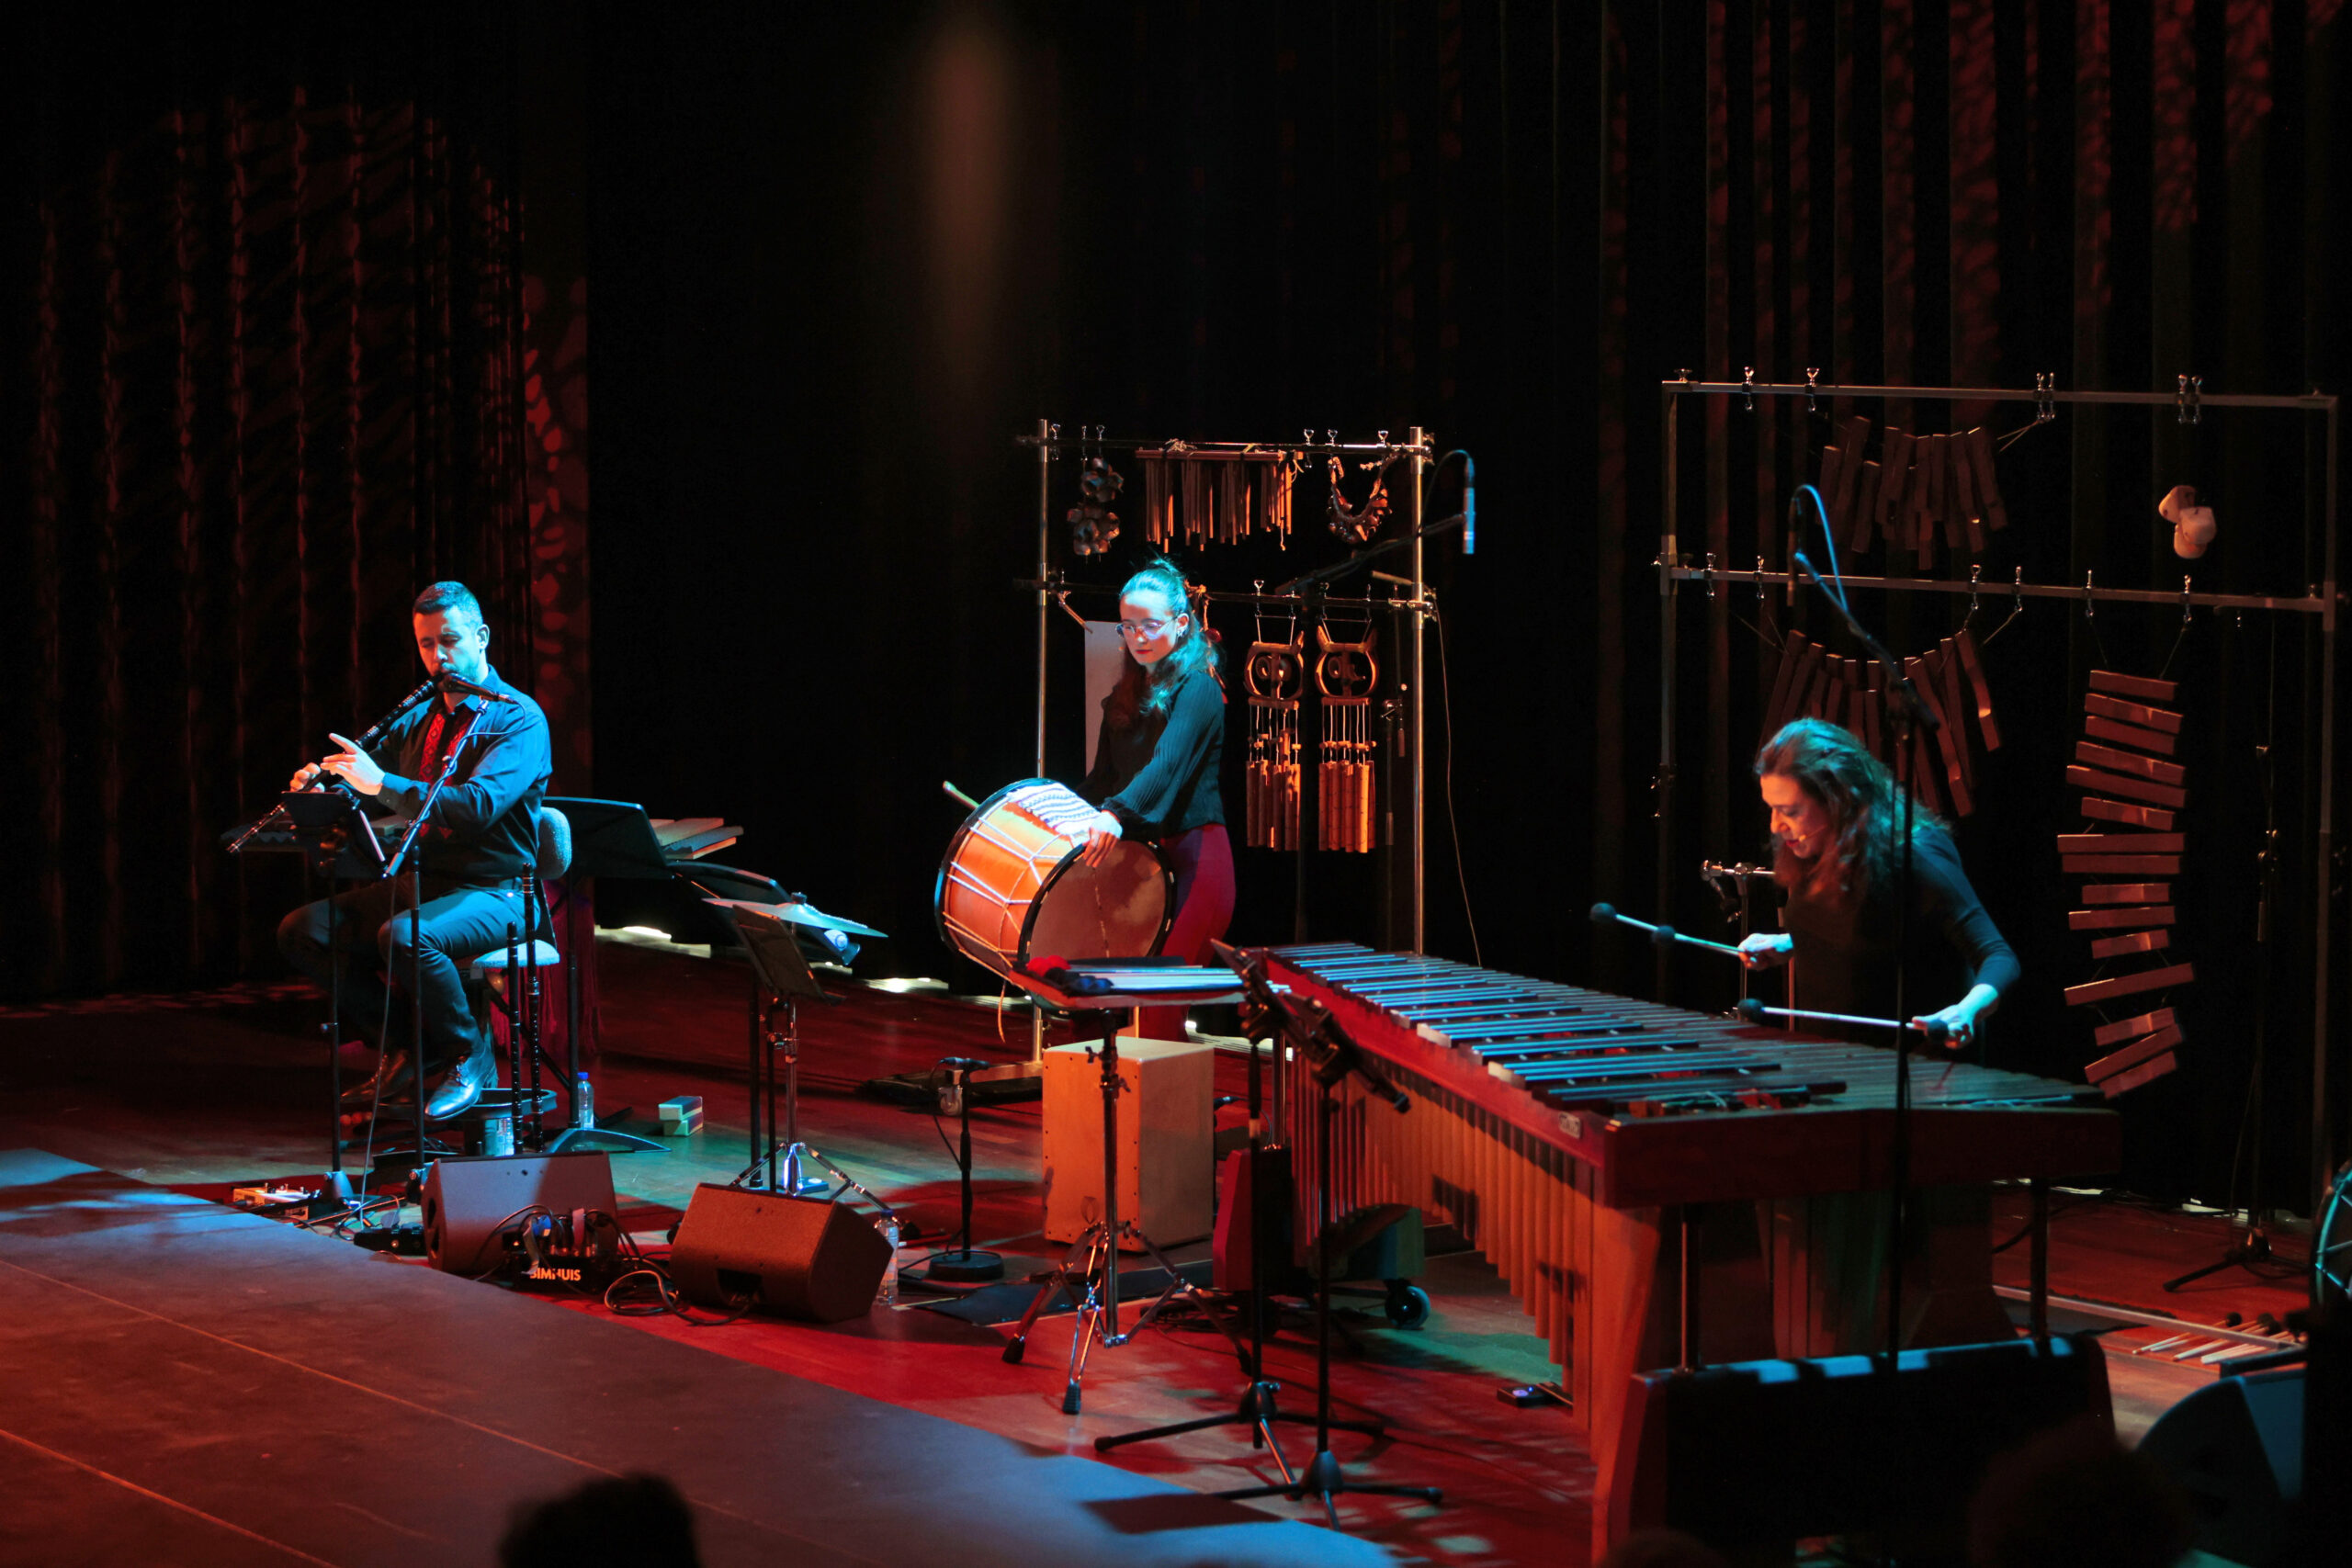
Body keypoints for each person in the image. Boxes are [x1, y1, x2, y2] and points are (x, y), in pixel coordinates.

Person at [277, 581, 553, 1121]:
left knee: (405, 936)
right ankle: (409, 1048)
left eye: (449, 640)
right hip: (426, 883)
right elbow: (367, 781)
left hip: (498, 892)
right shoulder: (419, 718)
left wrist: (380, 782)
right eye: (427, 644)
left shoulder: (519, 719)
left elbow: (476, 806)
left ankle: (469, 1056)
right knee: (304, 931)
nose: (438, 656)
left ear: (482, 636)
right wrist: (323, 786)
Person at [1736, 716, 2018, 1047]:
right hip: (1830, 1057)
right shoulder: (1811, 847)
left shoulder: (1915, 856)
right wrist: (1793, 942)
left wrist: (1967, 1011)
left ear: (1838, 799)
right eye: (1772, 809)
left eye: (1790, 811)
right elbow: (1869, 934)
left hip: (1914, 1066)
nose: (1776, 826)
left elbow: (1998, 956)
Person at [1076, 558, 1233, 1036]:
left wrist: (1115, 814)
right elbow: (1102, 781)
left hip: (1195, 861)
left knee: (1159, 1009)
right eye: (1128, 626)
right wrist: (1052, 811)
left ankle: (1169, 1089)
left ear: (1181, 623)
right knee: (1099, 1003)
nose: (1138, 637)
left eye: (1150, 624)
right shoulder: (1123, 698)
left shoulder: (1199, 689)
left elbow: (1166, 765)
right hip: (1141, 866)